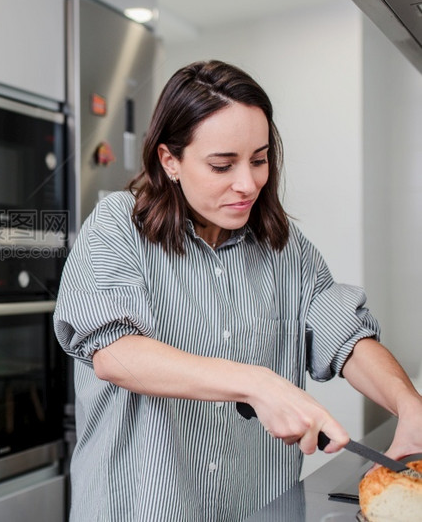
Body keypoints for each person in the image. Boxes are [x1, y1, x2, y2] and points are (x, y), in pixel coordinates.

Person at [54, 59, 422, 521]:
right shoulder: (117, 227)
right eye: (222, 165)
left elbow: (343, 335)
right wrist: (256, 383)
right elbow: (115, 354)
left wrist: (409, 406)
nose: (247, 184)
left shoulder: (285, 249)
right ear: (170, 160)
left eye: (259, 159)